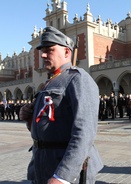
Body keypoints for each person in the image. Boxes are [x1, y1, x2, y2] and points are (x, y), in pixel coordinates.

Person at [19, 26, 103, 184]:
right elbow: (52, 123)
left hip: (65, 166)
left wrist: (63, 176)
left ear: (66, 52)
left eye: (49, 50)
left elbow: (84, 133)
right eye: (42, 50)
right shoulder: (50, 82)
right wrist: (29, 117)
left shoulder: (78, 79)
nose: (43, 54)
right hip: (43, 163)